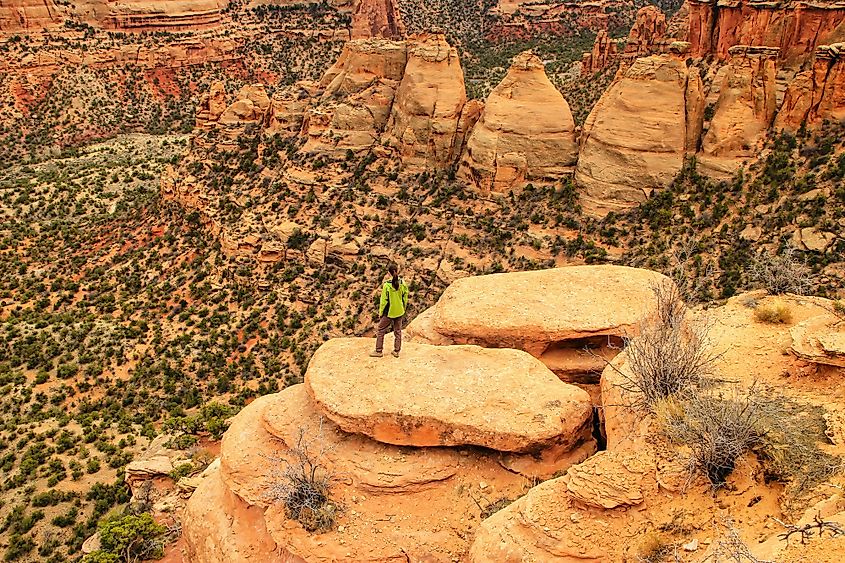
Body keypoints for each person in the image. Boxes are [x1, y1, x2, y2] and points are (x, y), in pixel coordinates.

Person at [370, 263, 409, 358]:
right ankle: (396, 351)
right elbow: (405, 297)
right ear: (397, 271)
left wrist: (381, 312)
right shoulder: (402, 283)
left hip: (389, 312)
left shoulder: (387, 285)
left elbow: (383, 301)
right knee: (398, 331)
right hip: (399, 311)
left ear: (389, 273)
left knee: (381, 330)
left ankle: (378, 351)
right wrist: (403, 307)